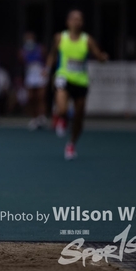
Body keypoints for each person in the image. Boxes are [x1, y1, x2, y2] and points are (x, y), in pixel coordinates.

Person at [46, 10, 108, 160]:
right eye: (73, 19)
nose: (76, 22)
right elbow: (52, 54)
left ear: (82, 23)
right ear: (68, 22)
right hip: (63, 77)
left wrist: (102, 58)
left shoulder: (87, 40)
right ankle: (61, 118)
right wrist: (47, 69)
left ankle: (71, 144)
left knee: (79, 117)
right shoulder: (60, 37)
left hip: (81, 81)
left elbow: (98, 55)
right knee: (62, 108)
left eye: (79, 19)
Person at [19, 32, 48, 130]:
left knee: (41, 97)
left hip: (40, 73)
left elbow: (47, 59)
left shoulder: (40, 48)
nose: (29, 41)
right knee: (31, 97)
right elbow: (22, 62)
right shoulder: (23, 50)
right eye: (27, 39)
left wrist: (46, 70)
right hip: (30, 74)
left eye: (30, 38)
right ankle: (34, 118)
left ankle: (42, 117)